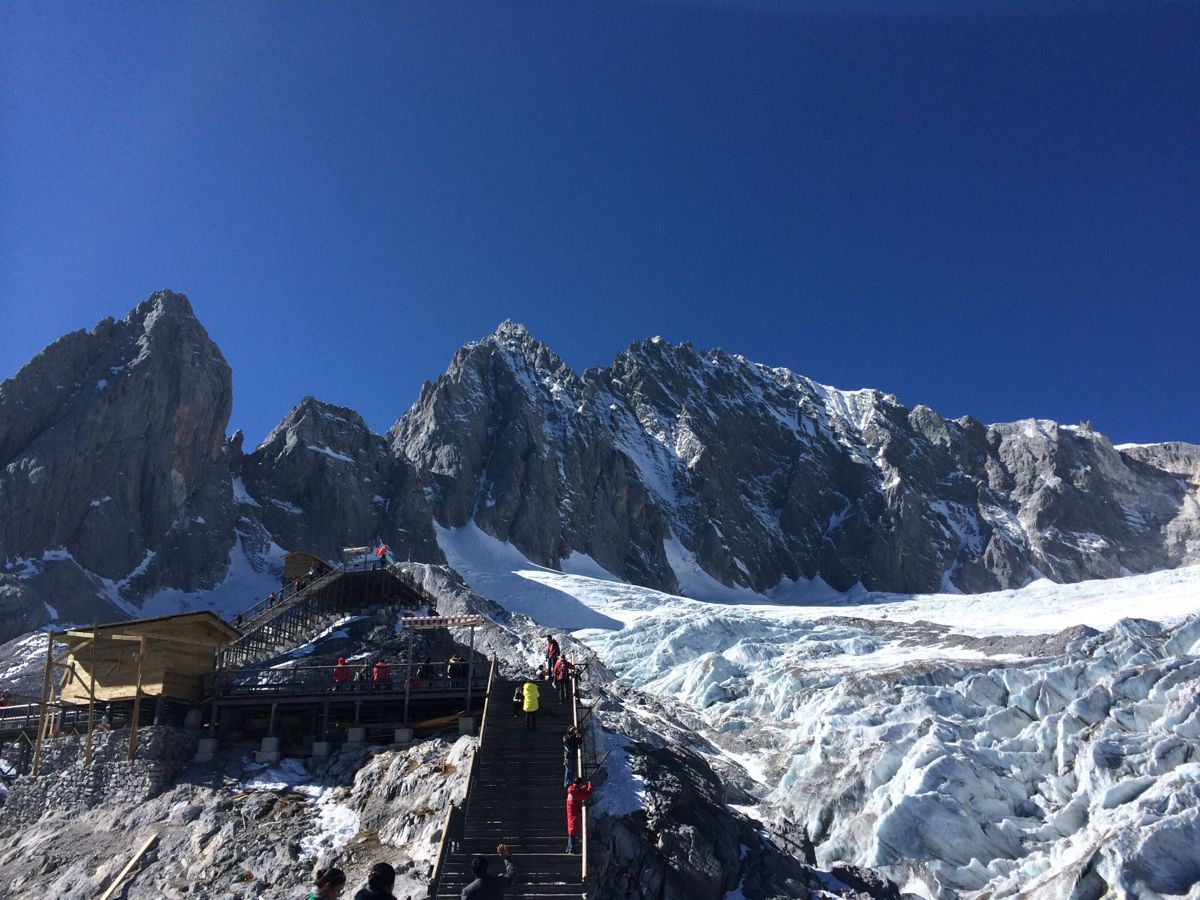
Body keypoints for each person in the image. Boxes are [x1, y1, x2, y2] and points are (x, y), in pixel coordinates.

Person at [565, 777, 594, 854]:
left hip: (573, 811)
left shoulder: (572, 789)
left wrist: (585, 786)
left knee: (572, 830)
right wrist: (590, 786)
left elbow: (580, 790)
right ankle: (571, 848)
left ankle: (569, 847)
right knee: (572, 830)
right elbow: (586, 795)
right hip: (574, 813)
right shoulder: (575, 792)